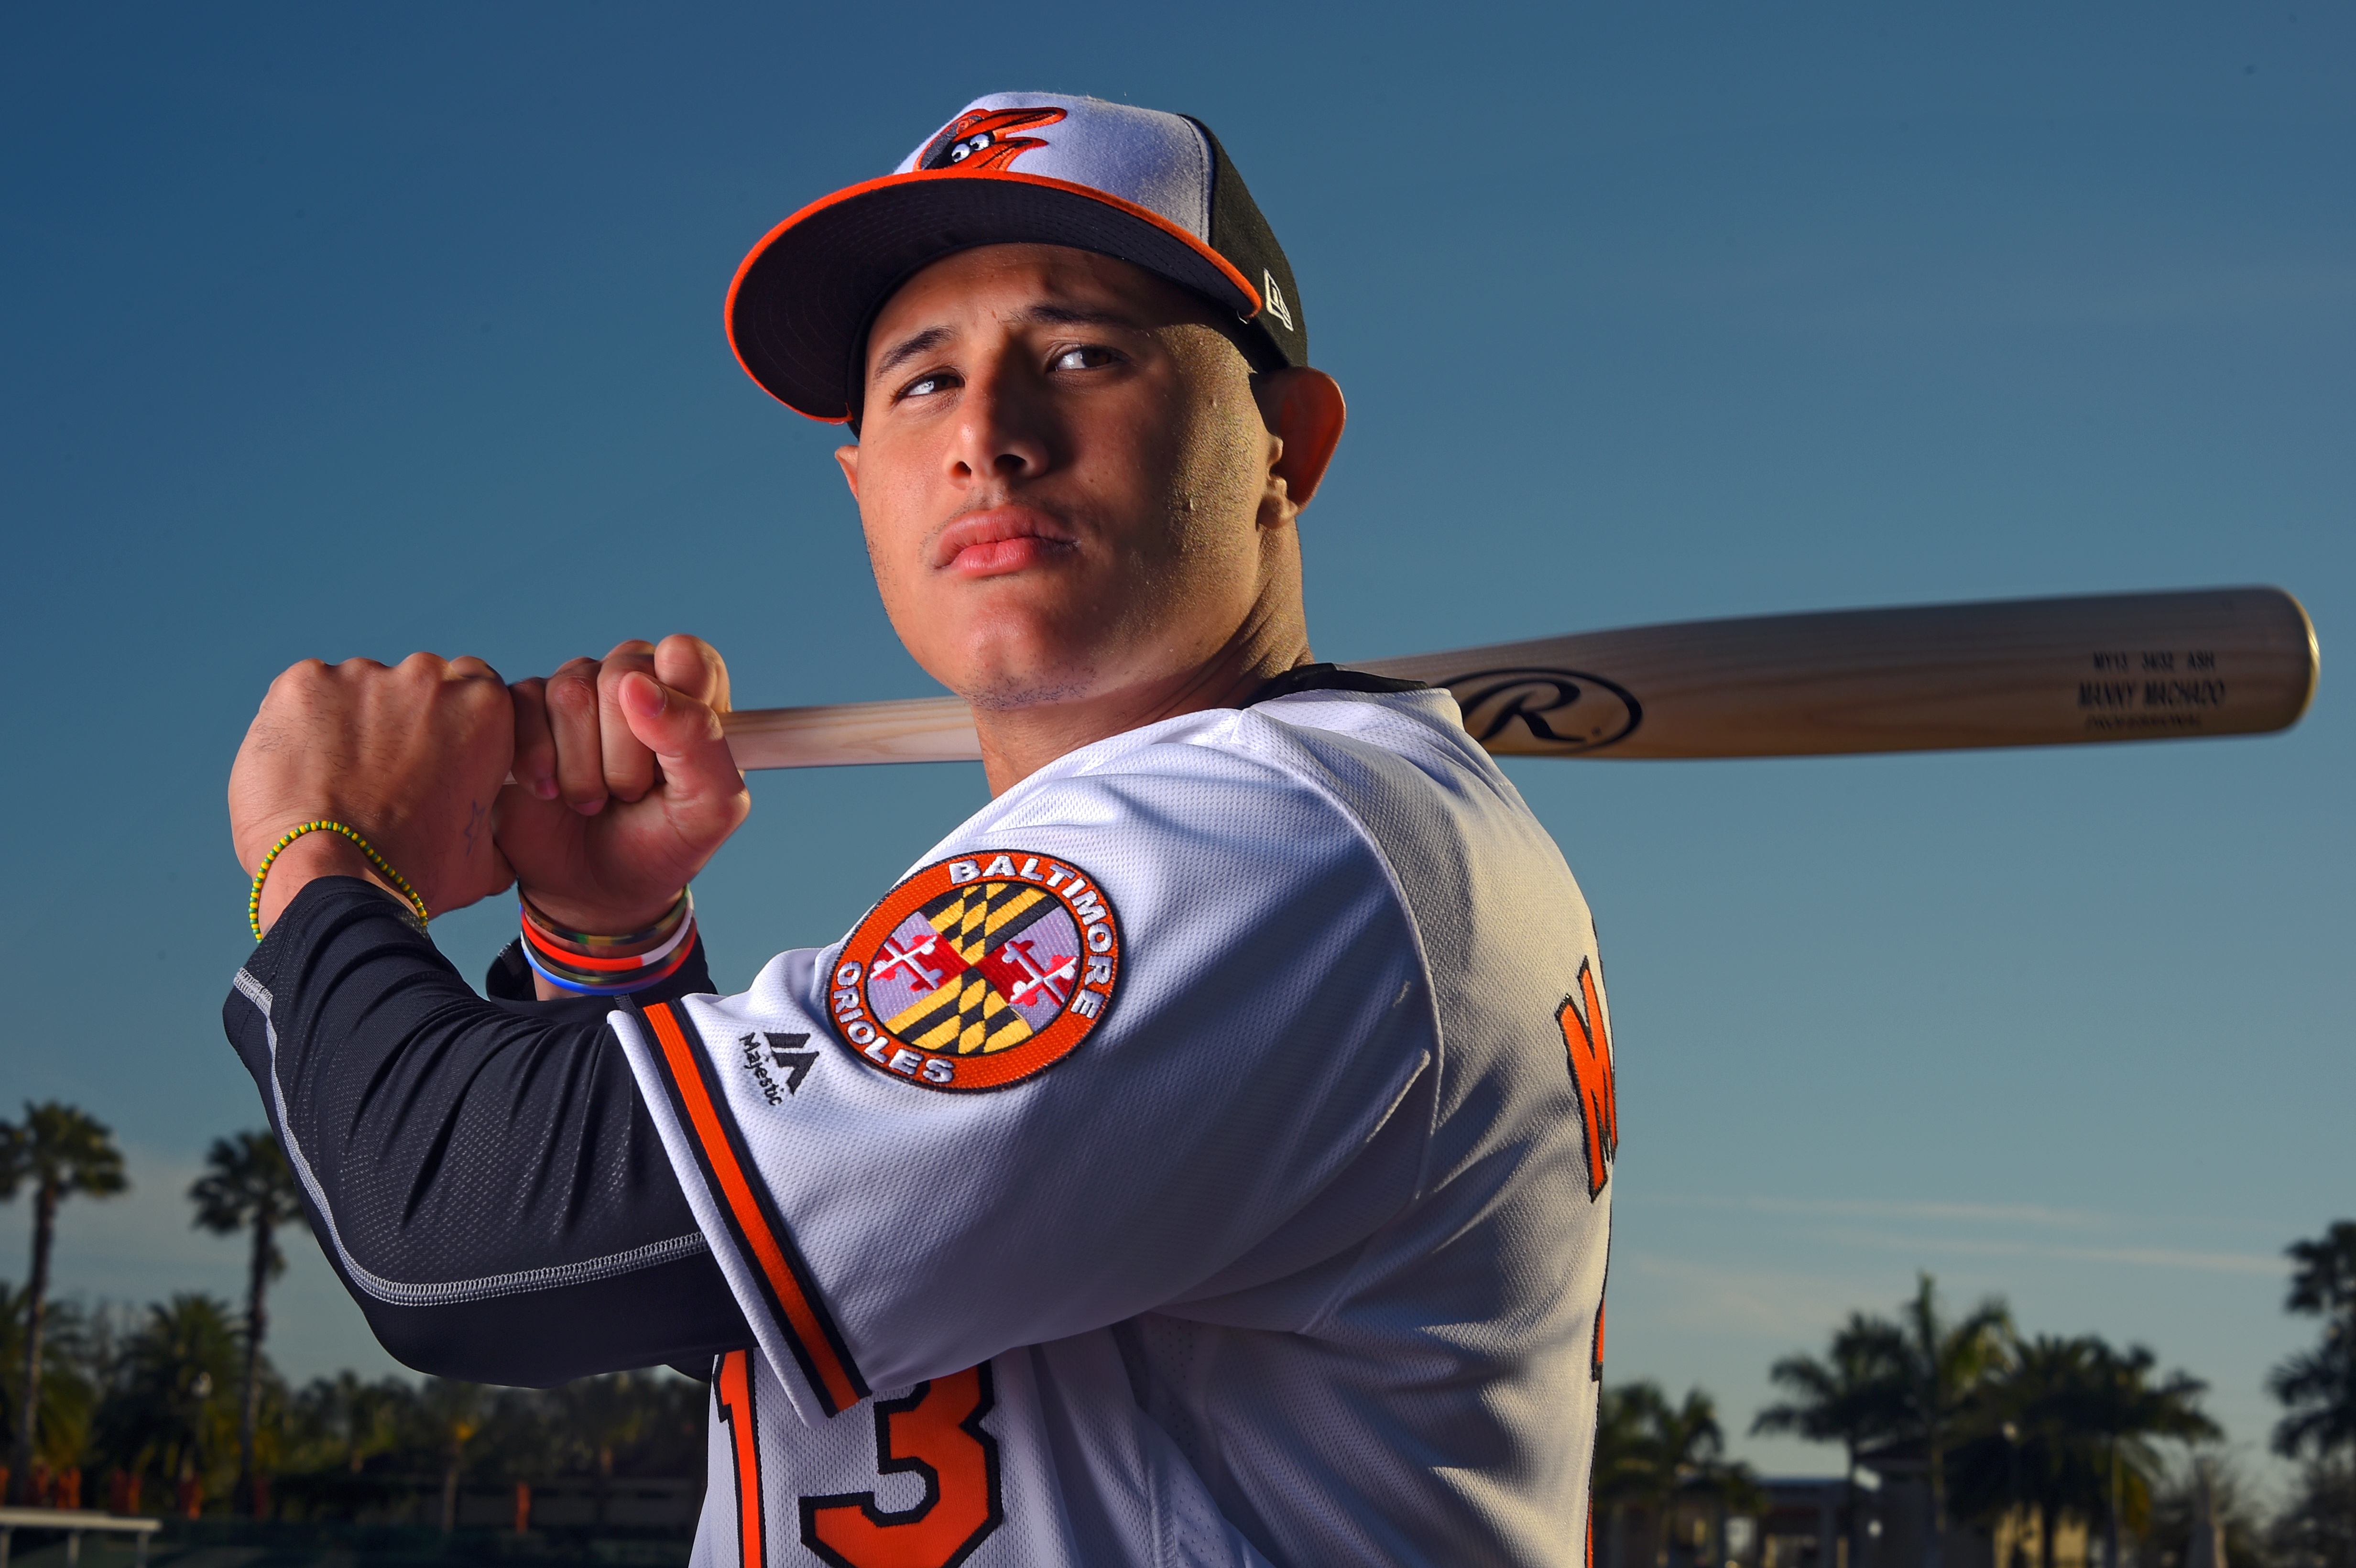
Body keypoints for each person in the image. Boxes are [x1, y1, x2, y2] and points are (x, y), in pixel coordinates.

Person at [224, 92, 1618, 1567]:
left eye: (1081, 353)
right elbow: (808, 1336)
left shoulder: (1259, 838)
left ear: (1289, 444)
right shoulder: (1254, 833)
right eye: (919, 383)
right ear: (863, 492)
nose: (987, 439)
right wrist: (606, 942)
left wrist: (322, 852)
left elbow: (451, 1245)